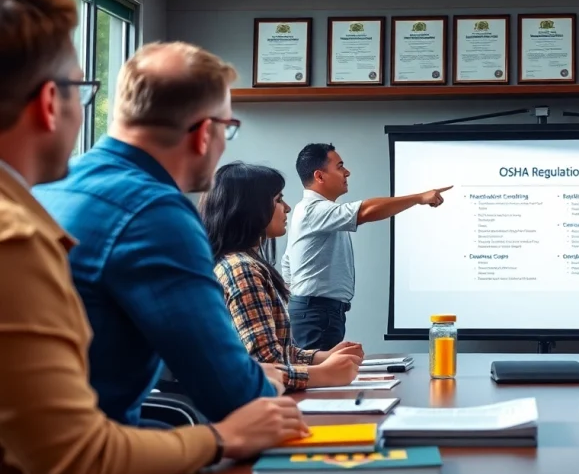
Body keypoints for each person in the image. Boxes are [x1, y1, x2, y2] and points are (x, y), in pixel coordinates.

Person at [0, 0, 307, 474]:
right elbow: (237, 397)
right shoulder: (150, 214)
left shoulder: (49, 193)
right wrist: (226, 432)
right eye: (80, 90)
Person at [33, 41, 282, 427]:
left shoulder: (54, 184)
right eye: (228, 129)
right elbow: (234, 395)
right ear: (204, 133)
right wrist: (273, 383)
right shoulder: (155, 213)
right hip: (90, 449)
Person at [200, 162, 365, 390]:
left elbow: (277, 350)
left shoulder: (238, 263)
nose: (287, 208)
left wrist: (323, 357)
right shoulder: (243, 269)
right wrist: (325, 374)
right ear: (251, 208)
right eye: (278, 200)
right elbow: (266, 366)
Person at [283, 143, 452, 350]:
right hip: (317, 313)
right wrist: (419, 198)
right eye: (340, 167)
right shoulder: (313, 210)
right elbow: (365, 211)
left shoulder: (309, 211)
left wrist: (300, 302)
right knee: (321, 371)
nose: (347, 172)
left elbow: (288, 263)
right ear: (319, 176)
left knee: (322, 368)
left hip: (317, 311)